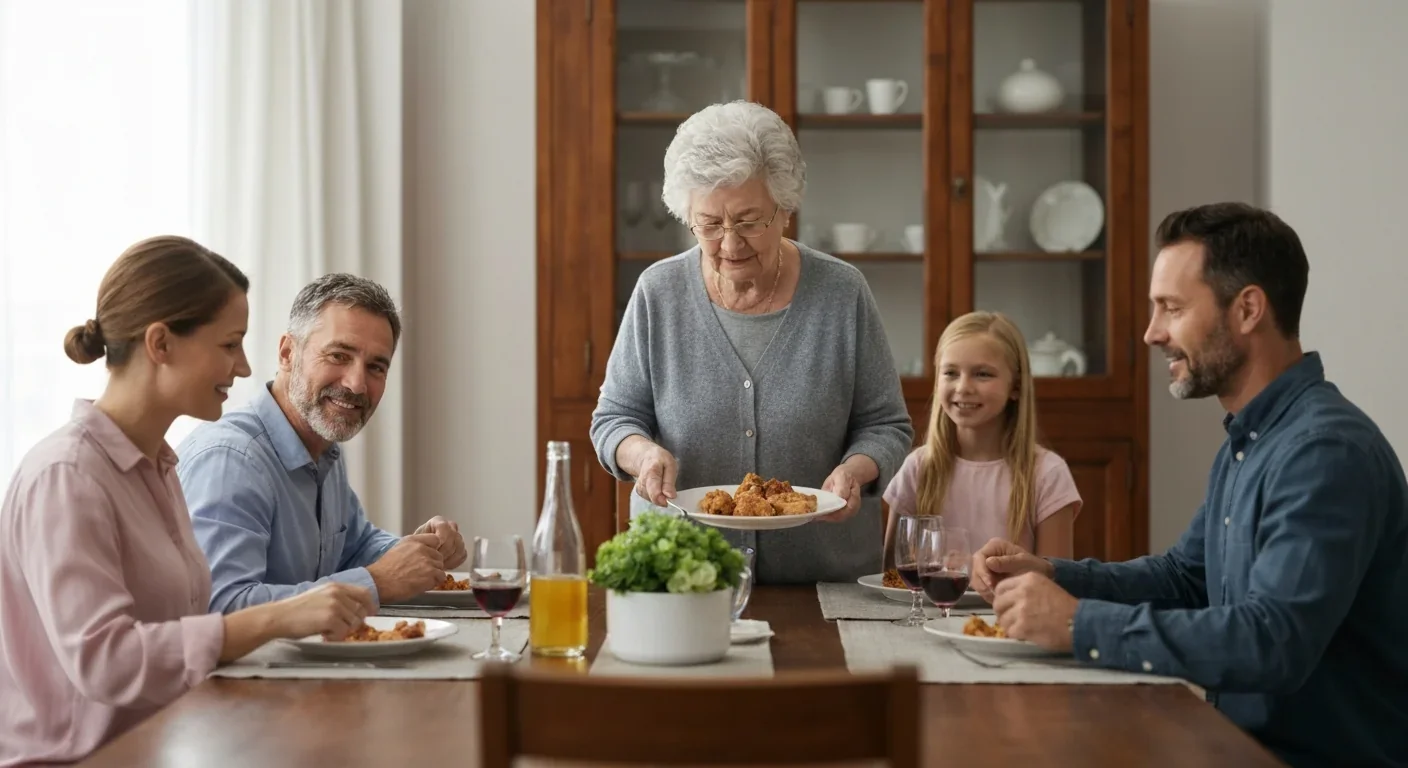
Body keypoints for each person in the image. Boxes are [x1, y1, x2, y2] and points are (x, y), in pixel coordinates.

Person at [969, 202, 1408, 767]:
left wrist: (1077, 623)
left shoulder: (1325, 452)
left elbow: (1273, 641)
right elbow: (1185, 578)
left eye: (1171, 308)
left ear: (1248, 309)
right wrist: (1052, 574)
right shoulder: (1252, 440)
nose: (1152, 333)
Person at [0, 236, 373, 767]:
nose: (244, 368)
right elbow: (106, 662)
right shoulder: (67, 476)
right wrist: (278, 617)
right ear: (161, 343)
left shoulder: (158, 466)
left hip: (170, 745)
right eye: (229, 344)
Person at [589, 101, 914, 584]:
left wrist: (857, 471)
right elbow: (613, 419)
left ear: (784, 209)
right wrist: (643, 455)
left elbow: (887, 425)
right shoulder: (658, 293)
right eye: (710, 224)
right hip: (684, 579)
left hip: (822, 583)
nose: (730, 243)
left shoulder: (842, 293)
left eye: (748, 221)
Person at [176, 274, 466, 613]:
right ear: (287, 353)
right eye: (339, 356)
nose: (357, 385)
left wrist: (419, 550)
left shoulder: (323, 446)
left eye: (375, 367)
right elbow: (221, 607)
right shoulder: (231, 460)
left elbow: (353, 548)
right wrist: (378, 581)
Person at [882, 311, 1080, 563]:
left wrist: (975, 574)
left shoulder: (1048, 474)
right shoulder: (917, 468)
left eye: (983, 374)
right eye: (951, 373)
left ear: (1016, 387)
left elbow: (1054, 584)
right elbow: (892, 577)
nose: (963, 387)